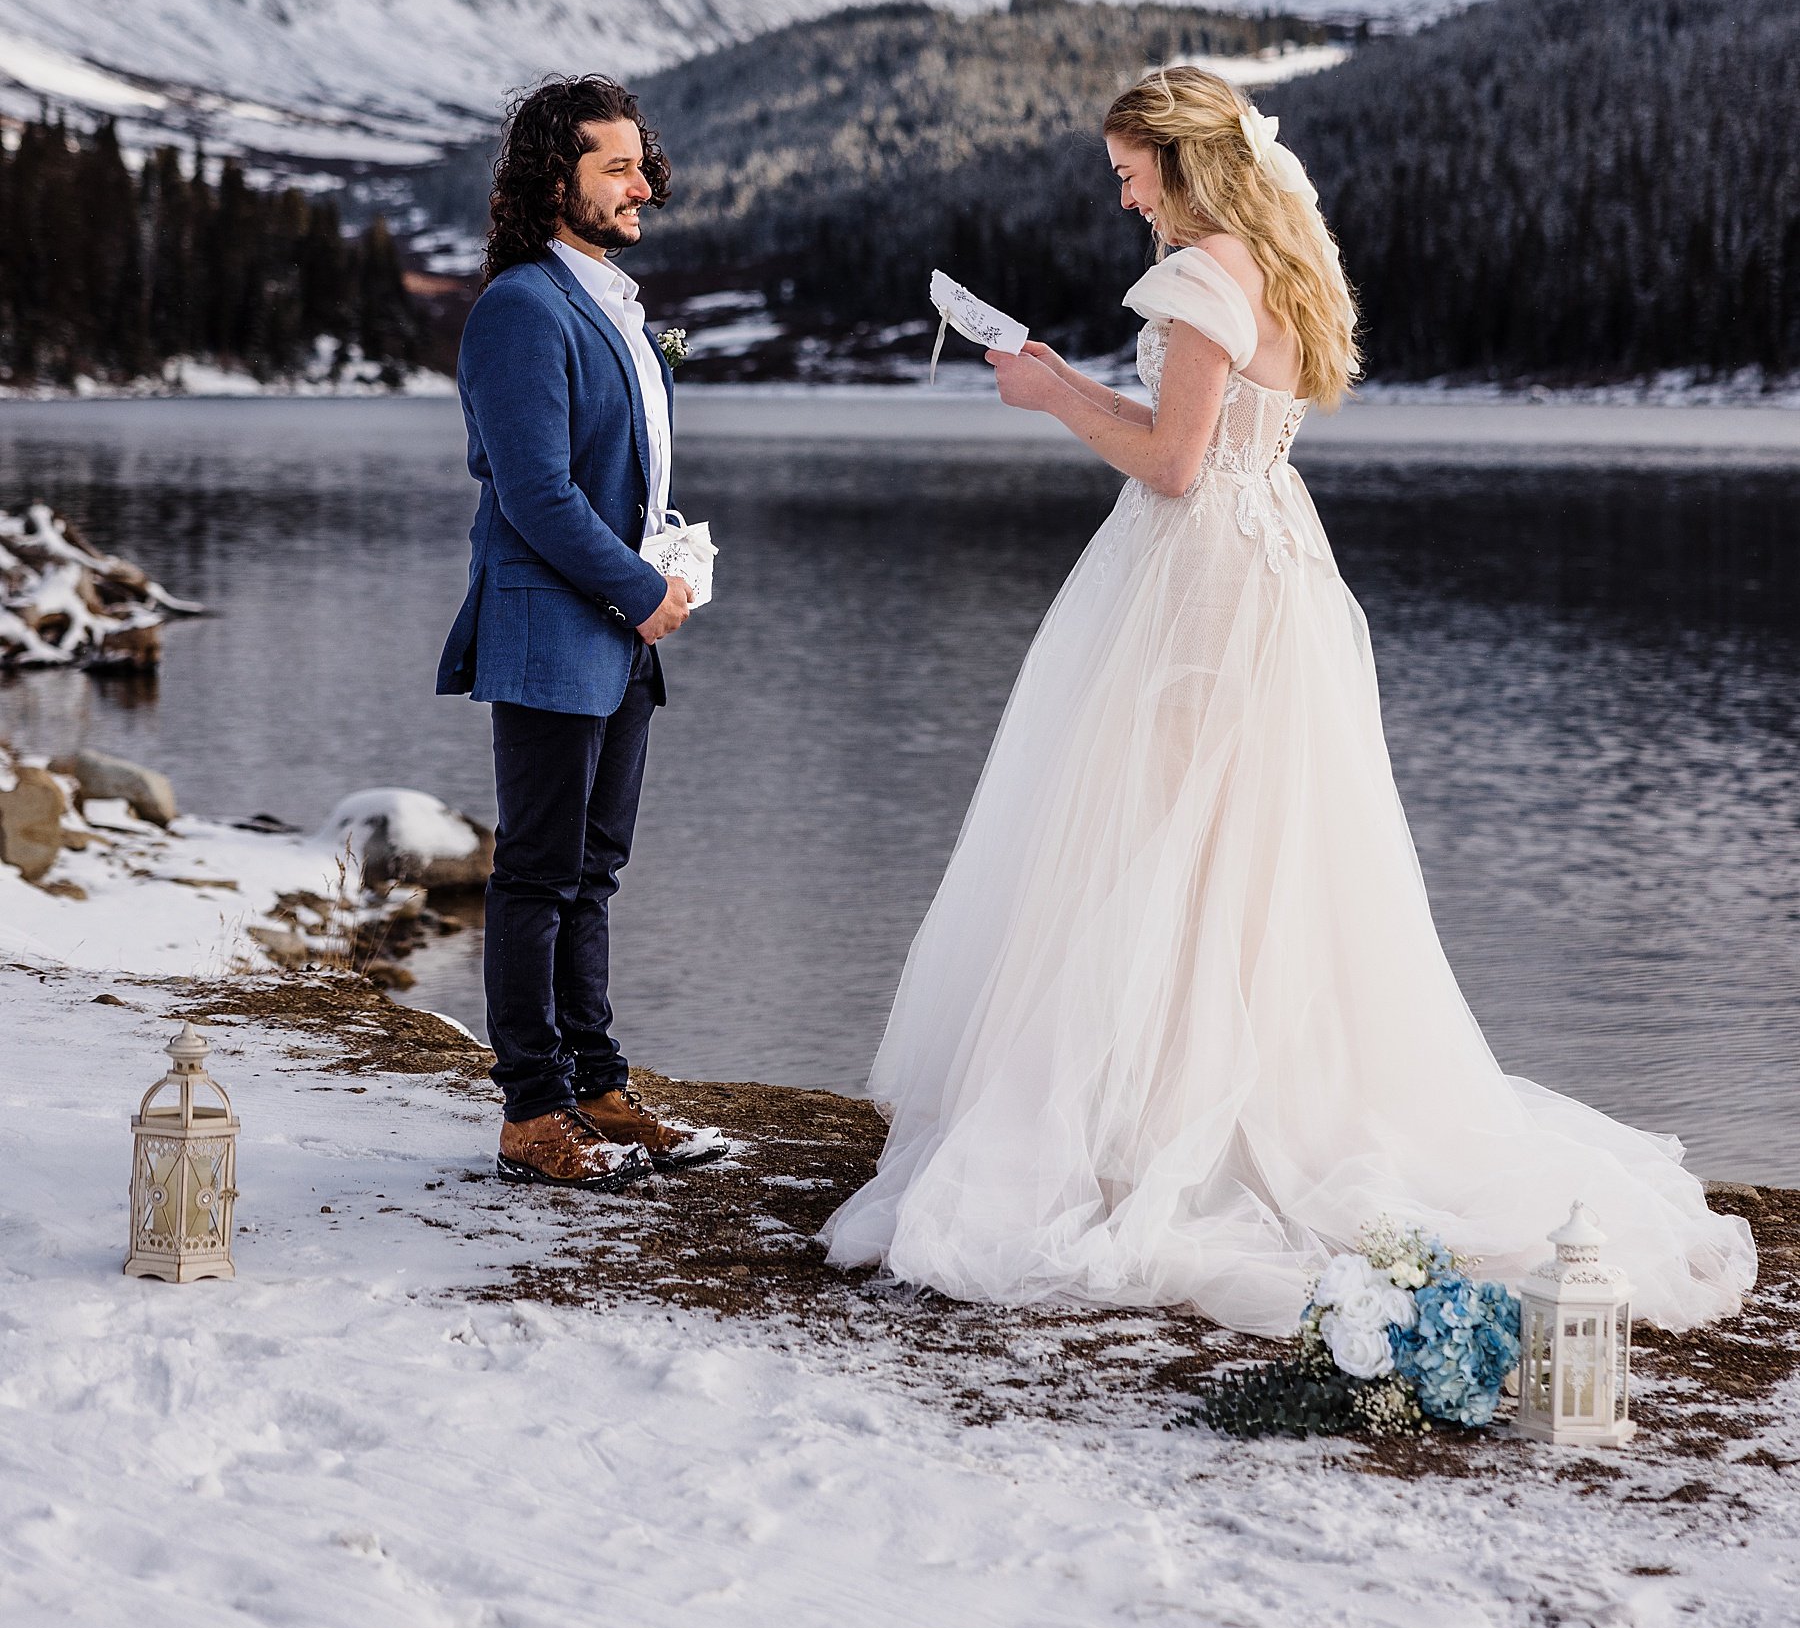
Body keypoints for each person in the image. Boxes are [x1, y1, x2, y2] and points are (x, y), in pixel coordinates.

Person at [824, 67, 1754, 1332]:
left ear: (1178, 160)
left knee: (1163, 840)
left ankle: (1171, 1121)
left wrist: (1052, 402)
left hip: (1199, 583)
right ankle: (1200, 1093)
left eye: (1127, 167)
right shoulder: (1269, 254)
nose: (1119, 188)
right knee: (1231, 851)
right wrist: (1066, 379)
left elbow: (1171, 462)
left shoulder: (1196, 274)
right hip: (1266, 565)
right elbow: (1194, 434)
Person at [437, 75, 724, 1186]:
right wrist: (638, 590)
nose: (642, 180)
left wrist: (668, 562)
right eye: (615, 164)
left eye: (639, 160)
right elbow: (536, 494)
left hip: (617, 628)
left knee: (594, 870)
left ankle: (597, 1085)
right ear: (551, 181)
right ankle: (532, 1110)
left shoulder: (609, 300)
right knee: (540, 870)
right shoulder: (521, 305)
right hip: (555, 625)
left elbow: (621, 480)